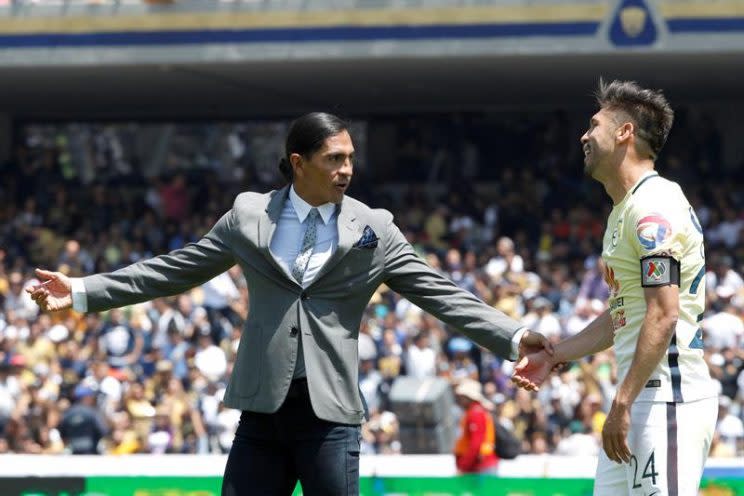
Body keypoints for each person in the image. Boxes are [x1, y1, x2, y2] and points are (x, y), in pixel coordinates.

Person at [27, 112, 552, 496]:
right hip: (261, 412)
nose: (347, 170)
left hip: (330, 417)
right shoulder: (248, 217)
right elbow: (173, 270)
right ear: (298, 163)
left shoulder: (375, 228)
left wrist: (512, 335)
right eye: (335, 159)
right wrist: (80, 290)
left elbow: (440, 292)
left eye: (351, 158)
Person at [512, 81, 717, 495]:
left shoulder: (652, 207)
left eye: (594, 125)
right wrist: (556, 355)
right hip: (638, 398)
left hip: (664, 401)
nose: (584, 136)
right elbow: (625, 314)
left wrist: (623, 402)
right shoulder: (624, 210)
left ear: (625, 132)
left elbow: (663, 312)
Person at [453, 378, 498, 473]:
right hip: (479, 465)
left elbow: (476, 443)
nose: (459, 400)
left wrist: (464, 466)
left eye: (462, 397)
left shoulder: (475, 413)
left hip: (480, 466)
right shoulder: (475, 412)